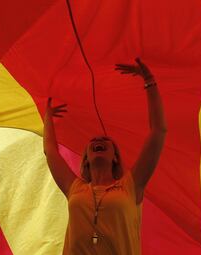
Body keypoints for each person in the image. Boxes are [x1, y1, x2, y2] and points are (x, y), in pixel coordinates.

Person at [43, 58, 167, 255]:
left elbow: (158, 132)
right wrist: (47, 118)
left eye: (104, 140)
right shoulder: (74, 187)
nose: (97, 140)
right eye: (92, 141)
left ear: (115, 157)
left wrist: (149, 81)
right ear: (86, 159)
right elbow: (50, 152)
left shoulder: (131, 186)